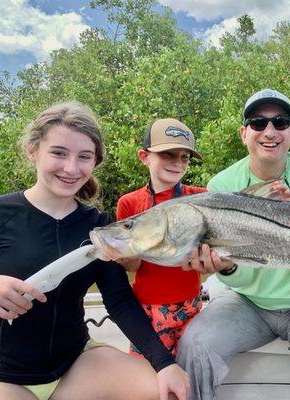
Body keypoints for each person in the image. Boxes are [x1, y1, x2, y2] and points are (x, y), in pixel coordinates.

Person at [0, 102, 189, 400]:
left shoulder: (98, 225)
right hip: (2, 375)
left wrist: (164, 364)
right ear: (33, 151)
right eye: (58, 153)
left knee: (164, 392)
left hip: (76, 364)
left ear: (95, 161)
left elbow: (119, 300)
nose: (71, 168)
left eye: (84, 157)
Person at [176, 88, 290, 400]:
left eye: (281, 122)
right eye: (258, 123)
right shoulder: (221, 186)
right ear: (243, 133)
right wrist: (229, 267)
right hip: (246, 301)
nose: (269, 132)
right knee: (194, 344)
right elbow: (241, 273)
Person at [116, 118, 206, 358]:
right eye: (168, 154)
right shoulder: (129, 203)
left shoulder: (200, 198)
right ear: (144, 157)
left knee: (190, 371)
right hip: (148, 309)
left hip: (192, 305)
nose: (177, 163)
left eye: (184, 156)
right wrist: (120, 254)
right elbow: (134, 266)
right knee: (149, 376)